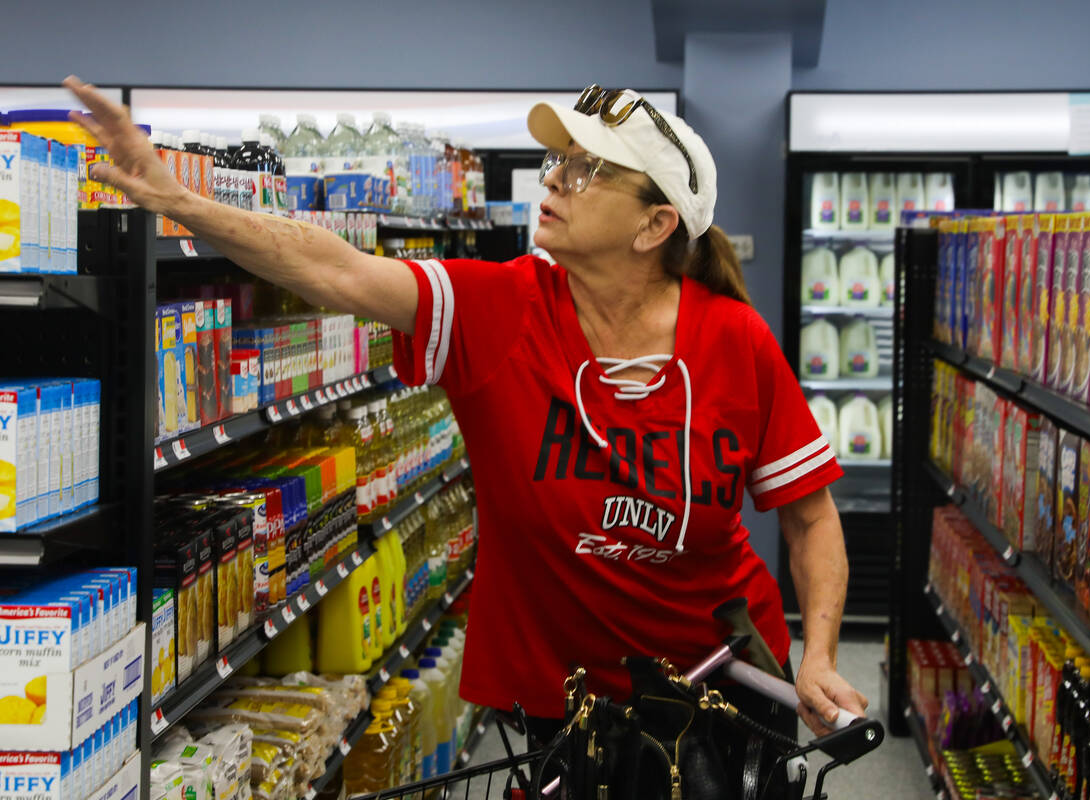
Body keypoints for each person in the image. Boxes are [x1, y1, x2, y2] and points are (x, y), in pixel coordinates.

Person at [65, 77, 867, 740]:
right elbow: (337, 270)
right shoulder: (502, 307)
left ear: (656, 225)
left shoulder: (736, 340)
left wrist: (821, 654)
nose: (553, 179)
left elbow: (810, 518)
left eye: (587, 170)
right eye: (559, 160)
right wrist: (179, 199)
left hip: (722, 684)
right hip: (564, 702)